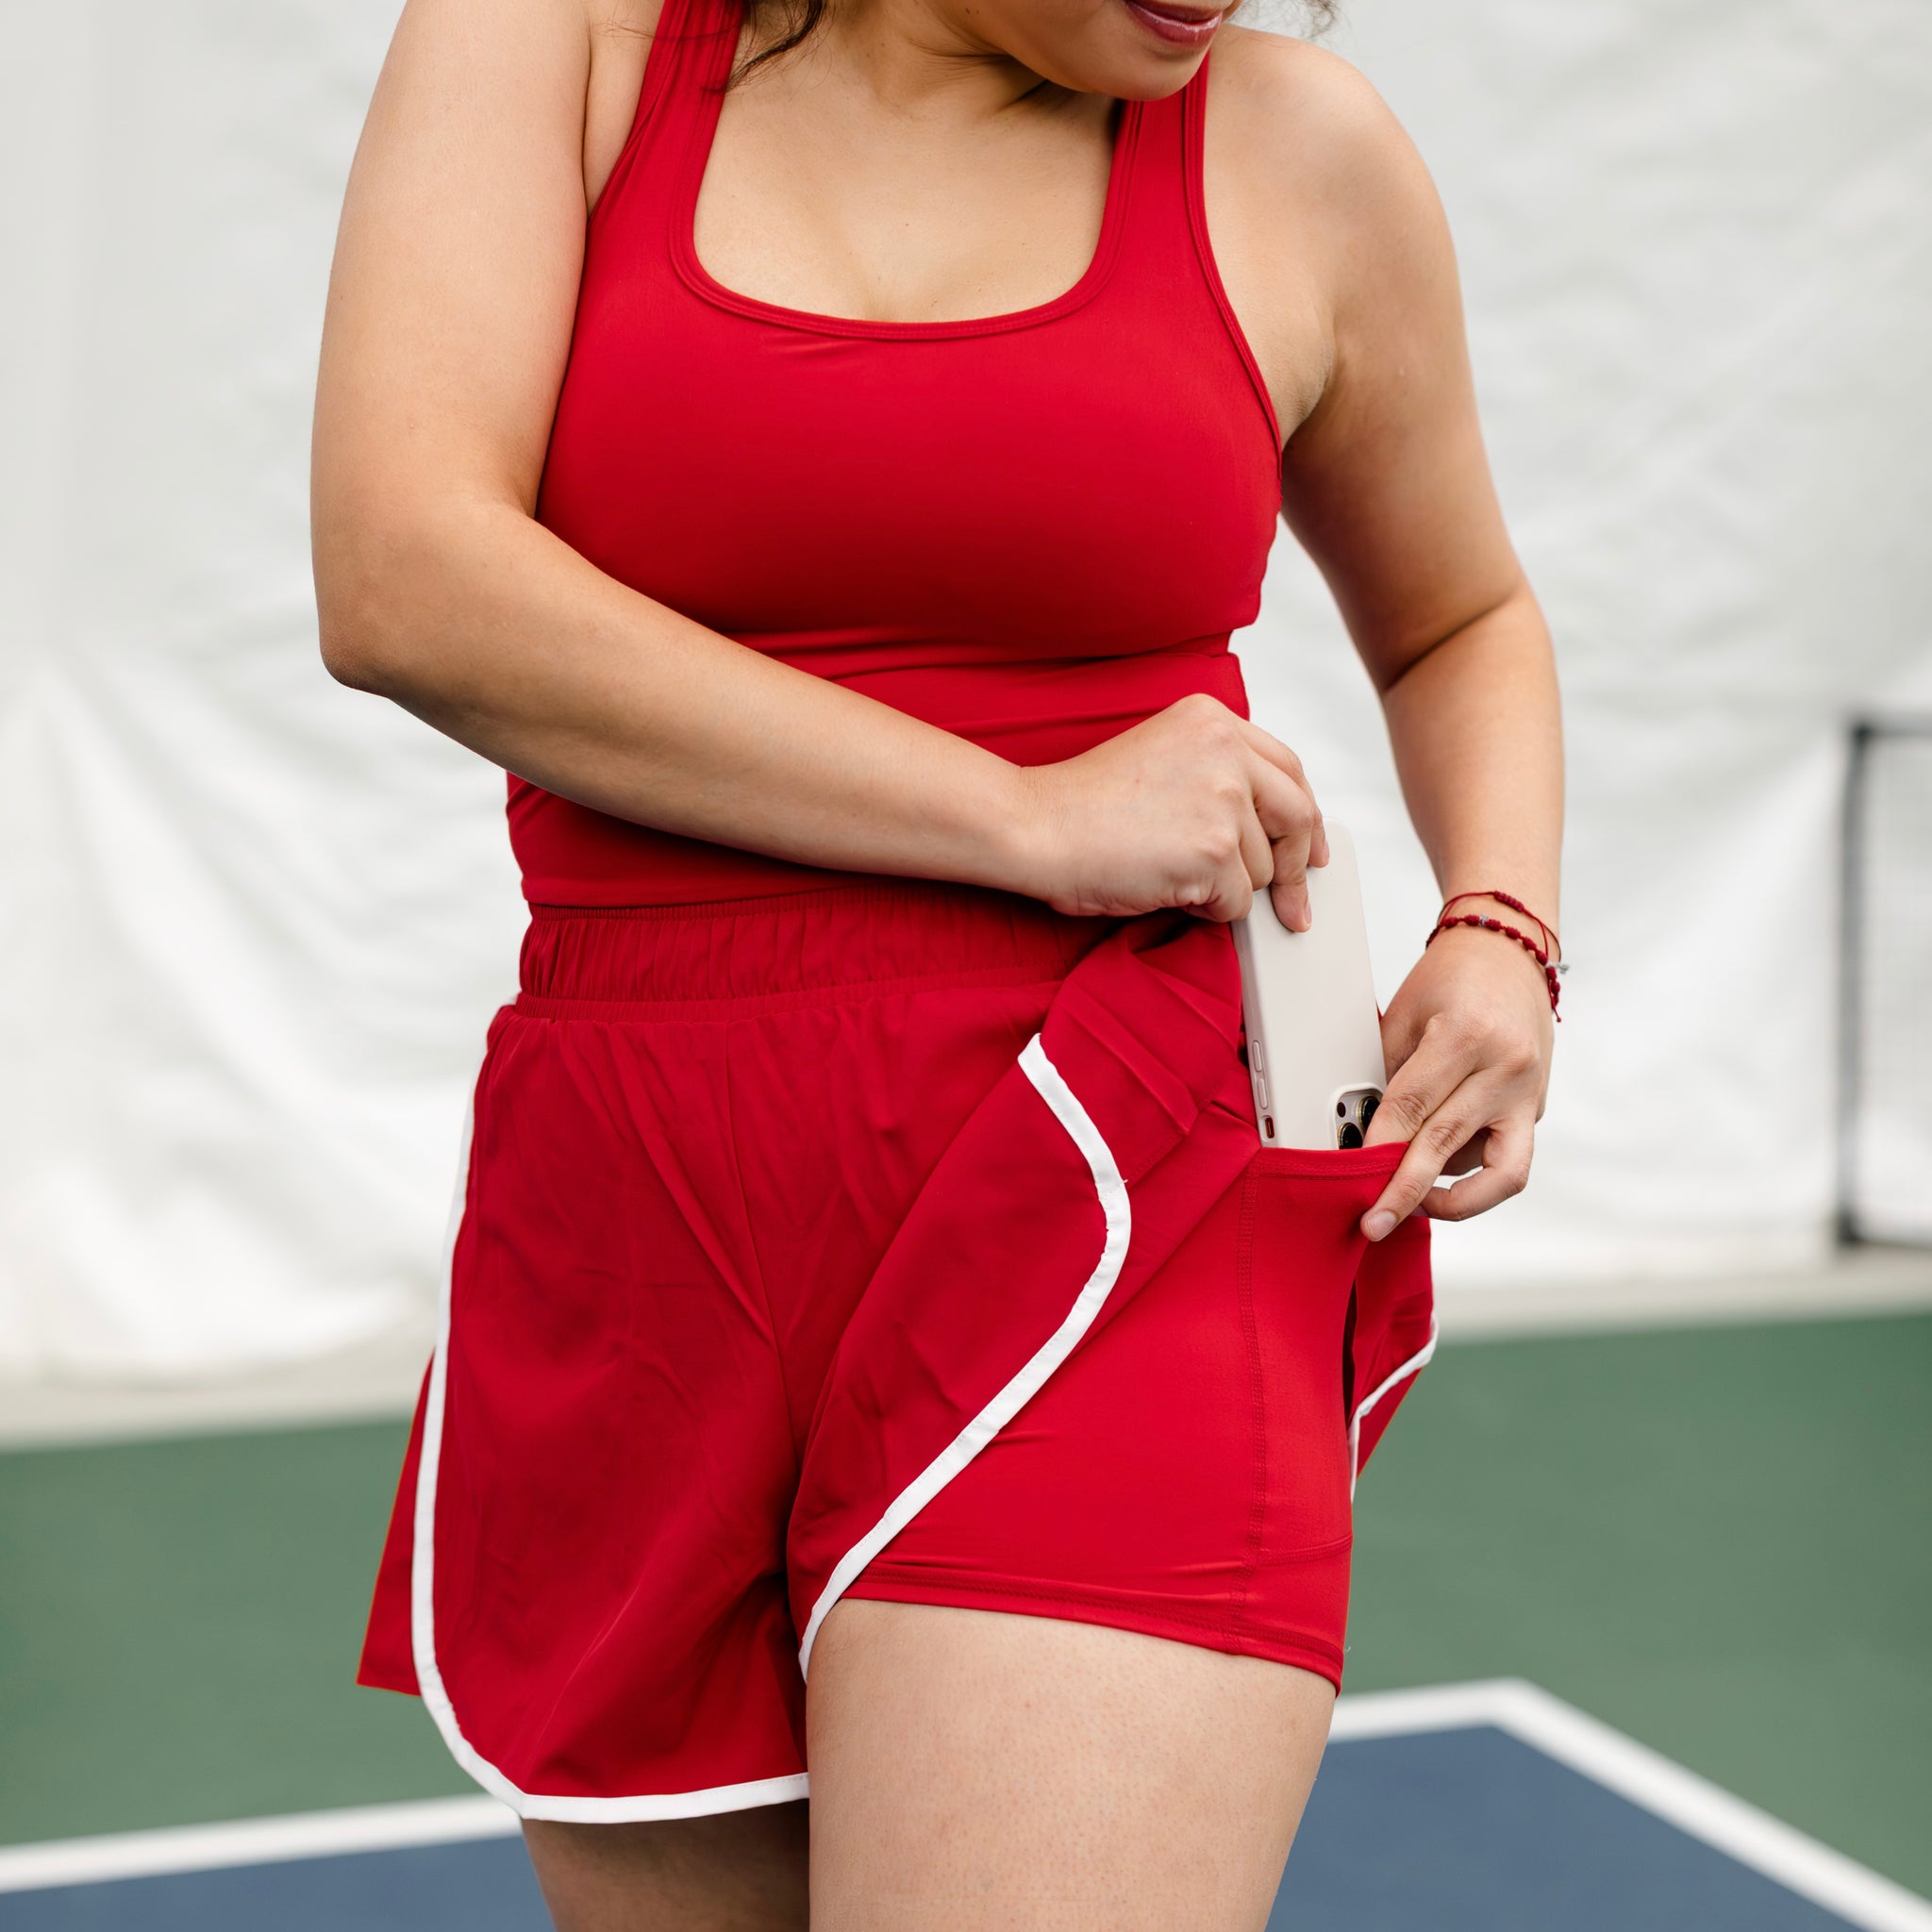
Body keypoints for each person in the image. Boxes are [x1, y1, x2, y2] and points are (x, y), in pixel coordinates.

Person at [310, 0, 1562, 1924]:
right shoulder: (553, 42)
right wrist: (1019, 812)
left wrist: (1502, 928)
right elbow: (403, 575)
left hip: (1125, 1174)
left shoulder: (1299, 150)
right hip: (646, 1208)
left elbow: (1457, 612)